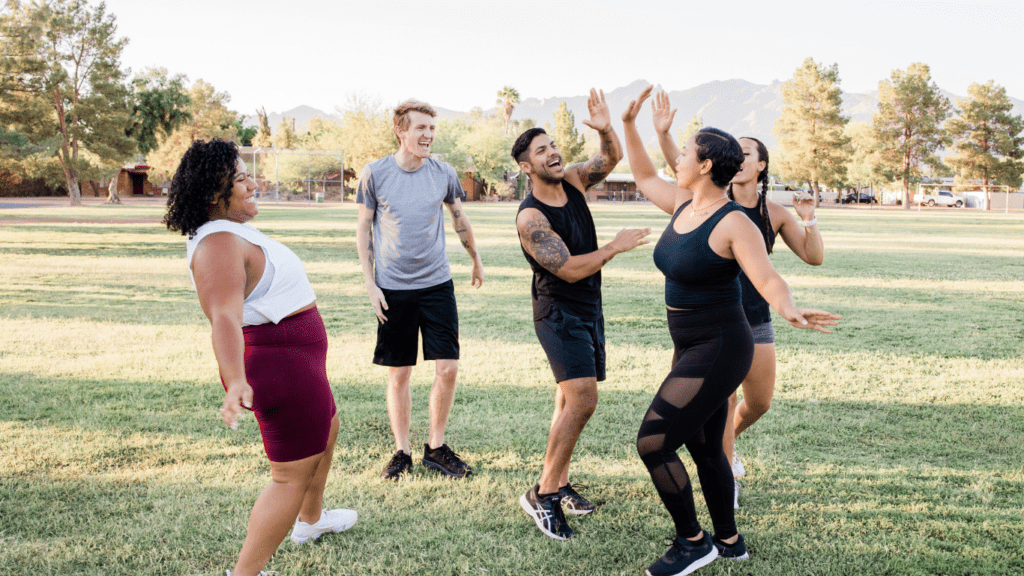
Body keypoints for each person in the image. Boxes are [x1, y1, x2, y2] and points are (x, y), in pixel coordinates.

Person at [622, 86, 839, 576]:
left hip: (722, 346)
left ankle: (692, 542)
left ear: (703, 166)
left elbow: (767, 277)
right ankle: (729, 540)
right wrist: (631, 125)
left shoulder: (734, 222)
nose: (675, 159)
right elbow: (640, 173)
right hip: (690, 346)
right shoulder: (682, 204)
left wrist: (788, 308)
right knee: (703, 445)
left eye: (684, 153)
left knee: (653, 442)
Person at [164, 139, 356, 576]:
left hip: (298, 361)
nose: (254, 183)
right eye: (240, 178)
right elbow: (225, 320)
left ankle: (311, 521)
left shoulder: (228, 231)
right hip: (279, 366)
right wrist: (234, 379)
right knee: (289, 476)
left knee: (327, 428)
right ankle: (245, 573)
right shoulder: (217, 245)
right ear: (215, 194)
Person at [651, 91, 824, 505]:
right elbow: (686, 163)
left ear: (760, 165)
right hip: (717, 320)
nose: (742, 158)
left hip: (757, 316)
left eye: (749, 152)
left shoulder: (772, 213)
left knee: (758, 402)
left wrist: (810, 218)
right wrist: (663, 135)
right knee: (720, 404)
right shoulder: (704, 204)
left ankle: (727, 447)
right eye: (737, 152)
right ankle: (724, 473)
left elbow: (808, 259)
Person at [513, 88, 652, 541]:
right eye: (541, 151)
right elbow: (570, 269)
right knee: (584, 399)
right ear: (525, 166)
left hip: (589, 307)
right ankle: (543, 494)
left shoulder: (573, 181)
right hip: (557, 311)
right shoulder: (530, 218)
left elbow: (609, 159)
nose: (552, 153)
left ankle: (561, 481)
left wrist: (606, 127)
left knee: (567, 399)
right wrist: (614, 246)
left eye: (552, 145)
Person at [356, 99, 484, 481]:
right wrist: (370, 282)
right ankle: (401, 451)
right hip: (393, 287)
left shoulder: (443, 173)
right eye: (420, 128)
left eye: (432, 129)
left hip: (436, 284)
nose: (427, 135)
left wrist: (475, 258)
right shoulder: (375, 174)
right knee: (399, 373)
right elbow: (363, 229)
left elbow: (459, 218)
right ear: (401, 130)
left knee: (447, 368)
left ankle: (436, 447)